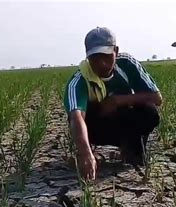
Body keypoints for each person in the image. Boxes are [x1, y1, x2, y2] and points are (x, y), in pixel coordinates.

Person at [63, 27, 162, 180]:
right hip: (97, 127)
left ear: (116, 51)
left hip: (123, 120)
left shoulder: (127, 64)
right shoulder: (79, 81)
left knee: (149, 111)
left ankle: (131, 149)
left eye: (106, 56)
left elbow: (156, 98)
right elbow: (76, 118)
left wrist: (117, 101)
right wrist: (85, 153)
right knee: (79, 120)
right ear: (87, 57)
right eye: (95, 58)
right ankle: (92, 153)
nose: (101, 63)